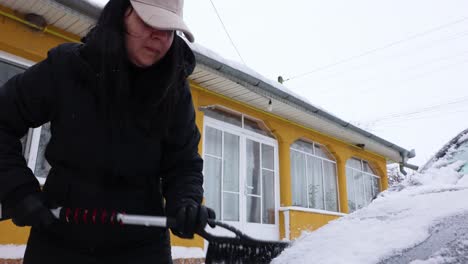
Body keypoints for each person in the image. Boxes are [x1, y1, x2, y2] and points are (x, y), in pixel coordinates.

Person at [0, 0, 215, 263]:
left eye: (169, 29)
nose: (159, 36)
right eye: (149, 22)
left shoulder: (174, 91)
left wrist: (185, 204)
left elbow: (183, 163)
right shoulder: (66, 68)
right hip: (58, 242)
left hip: (142, 249)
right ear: (120, 14)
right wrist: (17, 190)